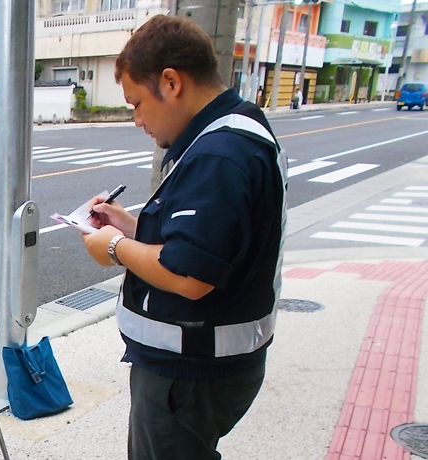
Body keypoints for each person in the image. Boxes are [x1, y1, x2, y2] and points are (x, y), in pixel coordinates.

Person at [80, 15, 286, 460]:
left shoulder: (219, 153)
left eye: (136, 103)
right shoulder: (236, 129)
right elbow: (203, 242)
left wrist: (113, 248)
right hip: (201, 365)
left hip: (190, 373)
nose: (136, 120)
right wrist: (128, 226)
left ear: (171, 82)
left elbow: (190, 274)